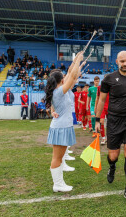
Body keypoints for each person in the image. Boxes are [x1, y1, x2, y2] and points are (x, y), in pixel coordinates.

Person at [95, 51, 126, 204]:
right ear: (117, 61)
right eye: (122, 61)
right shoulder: (108, 79)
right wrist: (98, 120)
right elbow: (102, 100)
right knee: (113, 156)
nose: (125, 63)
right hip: (113, 121)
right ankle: (112, 167)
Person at [45, 51, 84, 192]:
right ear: (60, 80)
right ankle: (58, 184)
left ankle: (59, 183)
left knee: (59, 158)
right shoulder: (59, 92)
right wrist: (78, 60)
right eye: (63, 77)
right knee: (57, 158)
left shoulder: (61, 90)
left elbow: (71, 75)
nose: (65, 78)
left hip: (63, 126)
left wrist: (75, 63)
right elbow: (72, 76)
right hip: (60, 127)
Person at [94, 75, 110, 145]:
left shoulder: (112, 87)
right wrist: (95, 107)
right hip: (102, 107)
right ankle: (103, 137)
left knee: (110, 123)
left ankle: (109, 137)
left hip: (110, 107)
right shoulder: (100, 87)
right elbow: (97, 98)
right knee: (101, 121)